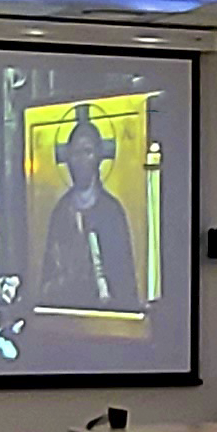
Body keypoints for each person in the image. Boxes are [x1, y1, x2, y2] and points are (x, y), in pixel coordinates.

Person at [38, 103, 139, 311]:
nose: (81, 160)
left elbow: (124, 276)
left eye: (88, 152)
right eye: (75, 153)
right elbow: (49, 274)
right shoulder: (61, 211)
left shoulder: (111, 211)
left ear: (99, 156)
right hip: (69, 314)